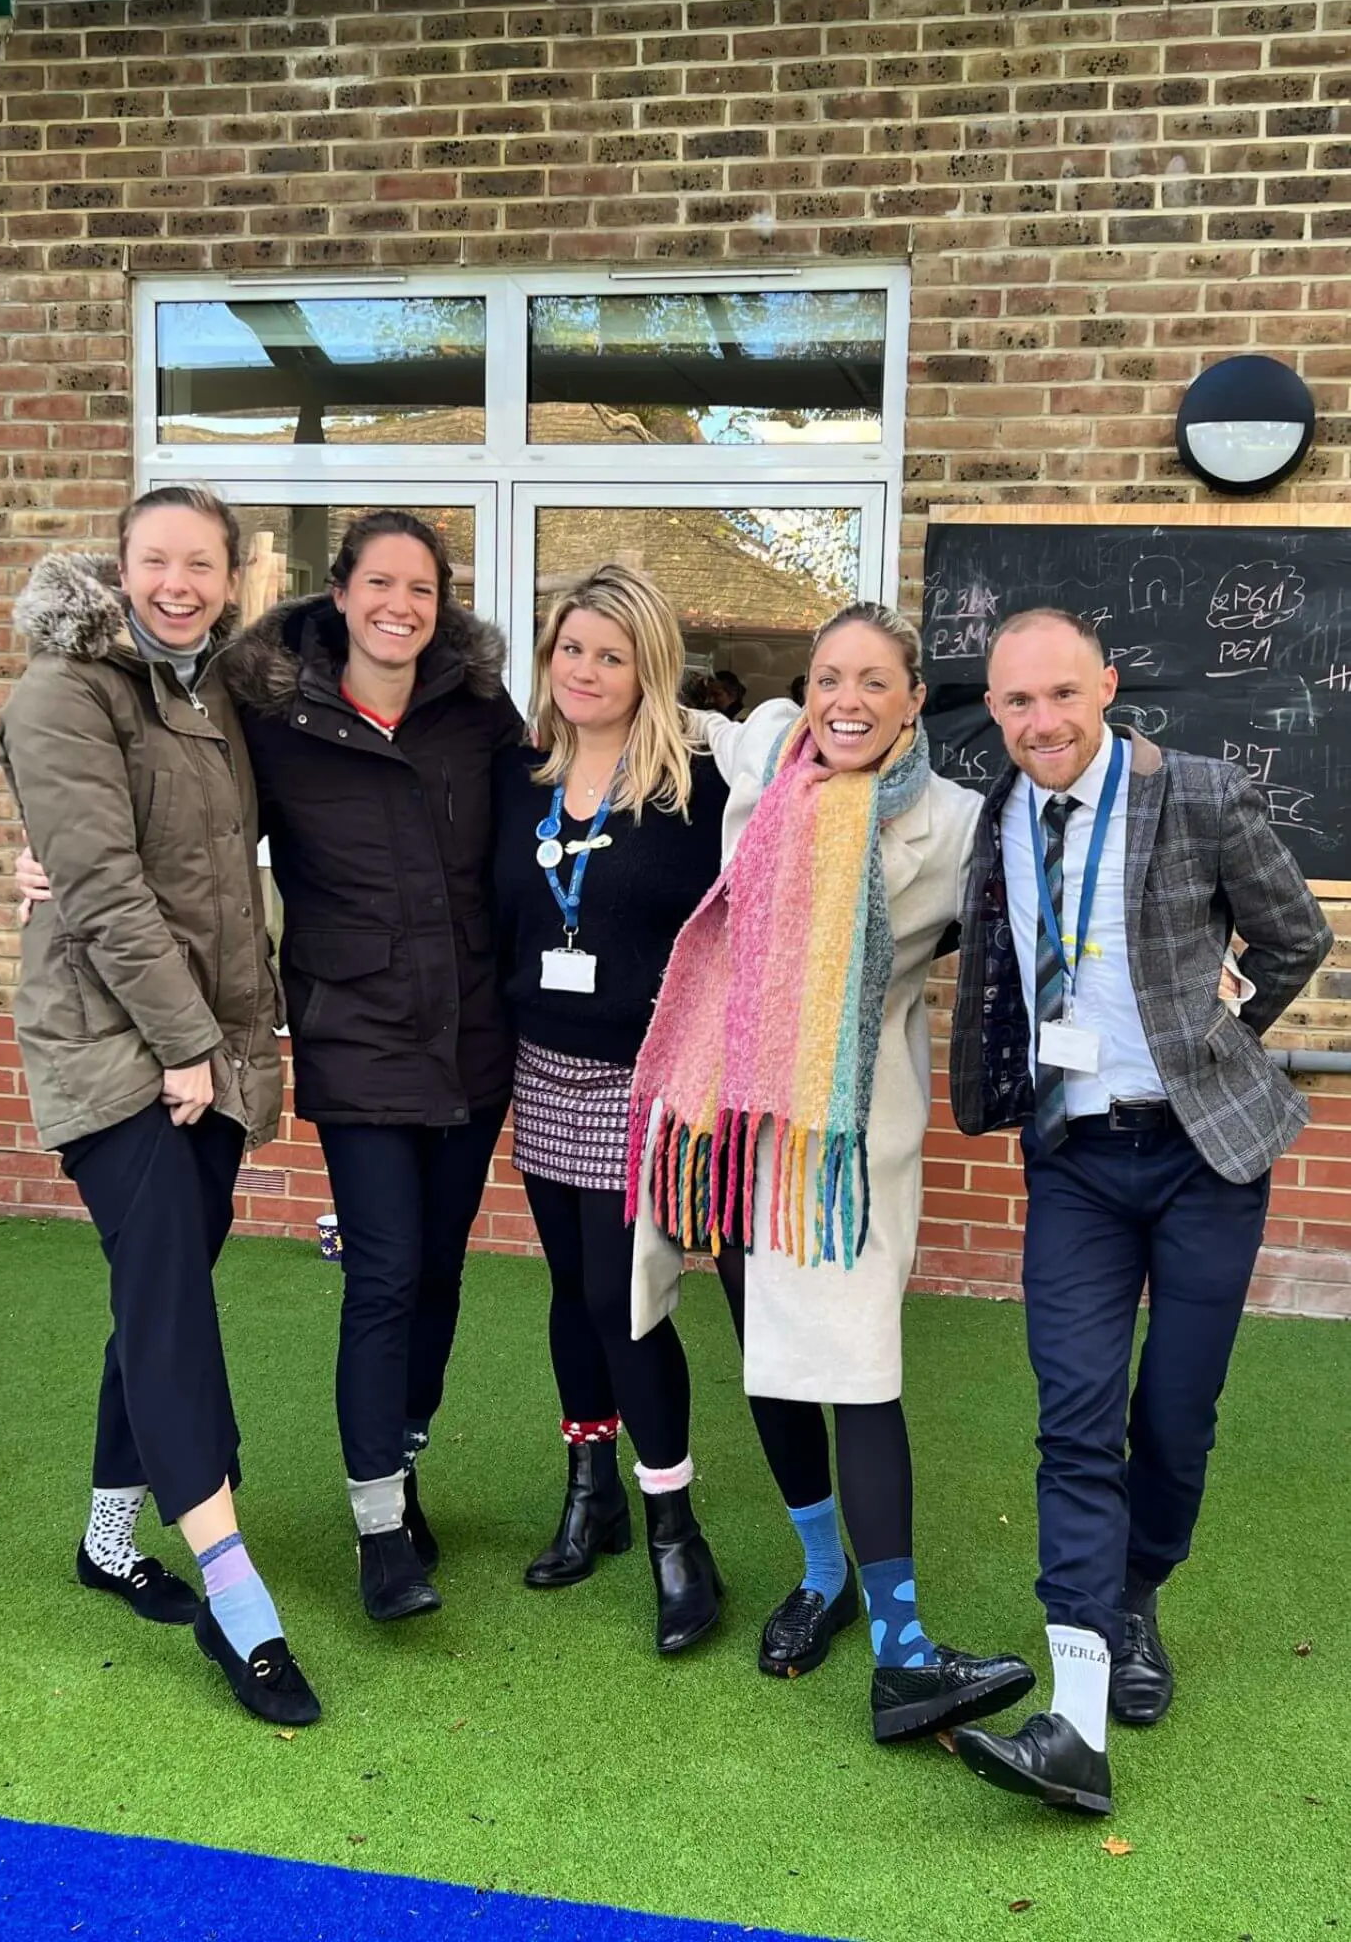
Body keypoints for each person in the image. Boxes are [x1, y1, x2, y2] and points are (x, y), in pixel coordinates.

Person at [947, 607, 1332, 1818]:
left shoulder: (1199, 792)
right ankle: (1075, 1702)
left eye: (1061, 693)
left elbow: (1294, 933)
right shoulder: (998, 818)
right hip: (1072, 1155)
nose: (1041, 722)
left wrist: (1216, 1045)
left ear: (1106, 684)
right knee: (1073, 1419)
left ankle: (1136, 1592)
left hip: (1202, 1156)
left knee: (1173, 1413)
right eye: (1015, 702)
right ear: (994, 711)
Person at [630, 602, 1034, 1742]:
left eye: (872, 680)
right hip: (732, 1121)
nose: (844, 700)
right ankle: (822, 1577)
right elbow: (660, 707)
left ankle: (903, 1646)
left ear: (914, 698)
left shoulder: (958, 823)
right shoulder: (764, 755)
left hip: (845, 1142)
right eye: (826, 677)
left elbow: (1038, 908)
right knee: (768, 1358)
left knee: (856, 1367)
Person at [0, 485, 319, 1728]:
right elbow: (106, 889)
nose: (176, 581)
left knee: (155, 1294)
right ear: (119, 567)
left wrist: (224, 1047)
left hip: (214, 1050)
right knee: (173, 1302)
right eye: (154, 560)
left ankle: (109, 1539)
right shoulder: (67, 689)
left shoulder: (214, 694)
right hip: (116, 1049)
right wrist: (188, 1048)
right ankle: (239, 1599)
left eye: (200, 563)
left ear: (230, 581)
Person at [219, 510, 524, 1625]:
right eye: (381, 583)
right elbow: (197, 824)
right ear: (341, 591)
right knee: (386, 1270)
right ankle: (379, 1530)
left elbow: (548, 822)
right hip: (355, 1031)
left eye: (423, 590)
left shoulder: (477, 710)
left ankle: (402, 1461)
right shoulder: (272, 712)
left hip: (474, 1032)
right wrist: (50, 855)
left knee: (439, 1272)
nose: (401, 605)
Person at [492, 566, 729, 1653]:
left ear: (648, 668)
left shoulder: (699, 784)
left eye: (610, 654)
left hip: (646, 1078)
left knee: (627, 1299)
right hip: (542, 1067)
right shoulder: (517, 773)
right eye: (569, 648)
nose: (584, 670)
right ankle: (590, 1489)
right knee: (570, 1289)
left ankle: (674, 1523)